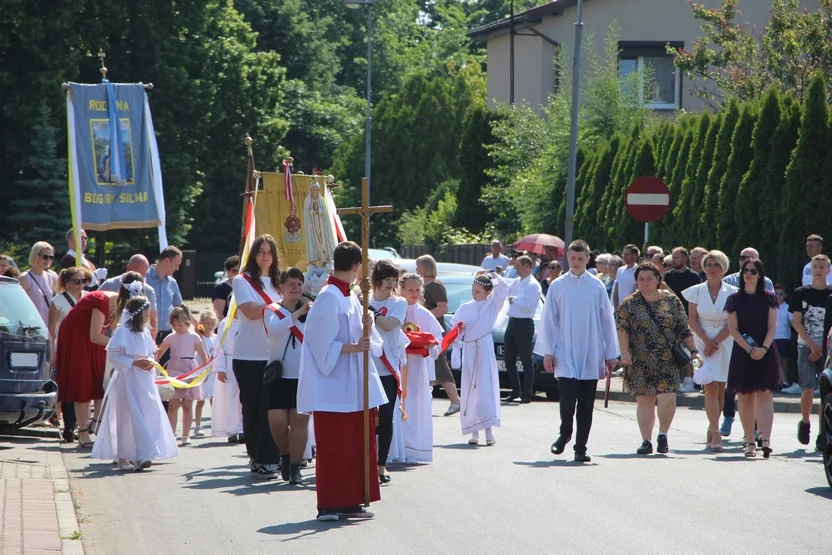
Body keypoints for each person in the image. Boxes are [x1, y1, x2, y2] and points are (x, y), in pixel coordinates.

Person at [297, 241, 387, 521]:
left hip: (354, 384)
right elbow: (319, 344)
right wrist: (352, 346)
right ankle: (328, 503)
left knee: (355, 444)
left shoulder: (349, 296)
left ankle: (350, 500)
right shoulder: (329, 296)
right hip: (333, 385)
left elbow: (363, 337)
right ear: (357, 267)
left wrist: (367, 328)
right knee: (335, 445)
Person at [536, 240, 619, 463]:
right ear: (567, 258)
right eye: (572, 258)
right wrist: (548, 351)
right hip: (564, 350)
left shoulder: (596, 286)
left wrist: (611, 353)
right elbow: (549, 320)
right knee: (567, 398)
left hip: (591, 351)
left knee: (586, 402)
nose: (575, 262)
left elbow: (606, 321)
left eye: (580, 259)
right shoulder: (558, 285)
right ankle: (564, 433)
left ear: (588, 259)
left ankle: (580, 447)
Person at [617, 263, 701, 455]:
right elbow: (622, 329)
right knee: (644, 401)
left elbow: (683, 328)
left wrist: (694, 351)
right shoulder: (629, 303)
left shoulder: (672, 301)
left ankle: (663, 434)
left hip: (667, 358)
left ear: (658, 280)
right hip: (639, 359)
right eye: (640, 279)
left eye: (649, 278)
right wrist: (624, 352)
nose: (645, 282)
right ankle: (646, 440)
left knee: (668, 398)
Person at [92, 296, 179, 470]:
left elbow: (149, 352)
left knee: (148, 412)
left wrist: (150, 364)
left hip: (144, 380)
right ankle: (126, 456)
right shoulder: (123, 331)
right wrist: (134, 363)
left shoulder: (144, 332)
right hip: (128, 379)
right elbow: (113, 355)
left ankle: (144, 452)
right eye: (147, 311)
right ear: (140, 312)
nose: (149, 315)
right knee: (129, 415)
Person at [232, 234, 283, 478]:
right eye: (261, 251)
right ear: (253, 254)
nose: (265, 256)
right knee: (252, 409)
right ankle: (257, 456)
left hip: (275, 354)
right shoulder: (243, 281)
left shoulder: (280, 282)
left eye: (269, 252)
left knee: (272, 409)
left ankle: (271, 457)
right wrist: (280, 306)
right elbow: (251, 312)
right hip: (248, 356)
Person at [681, 251, 737, 451]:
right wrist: (707, 341)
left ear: (723, 268)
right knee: (709, 386)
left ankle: (712, 424)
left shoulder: (733, 292)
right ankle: (716, 432)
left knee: (721, 387)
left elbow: (733, 322)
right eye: (709, 264)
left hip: (726, 339)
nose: (712, 268)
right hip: (701, 341)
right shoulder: (695, 291)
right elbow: (692, 320)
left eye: (716, 265)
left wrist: (717, 340)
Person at [725, 257, 779, 458]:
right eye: (745, 271)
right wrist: (749, 349)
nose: (748, 274)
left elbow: (772, 326)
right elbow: (733, 329)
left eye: (753, 271)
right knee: (745, 396)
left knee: (765, 393)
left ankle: (765, 438)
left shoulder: (769, 297)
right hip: (742, 351)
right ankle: (749, 441)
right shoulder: (734, 299)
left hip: (765, 350)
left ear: (760, 275)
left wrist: (763, 348)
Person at [264, 268, 312, 485]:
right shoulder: (272, 310)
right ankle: (285, 455)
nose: (296, 288)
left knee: (299, 421)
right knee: (278, 422)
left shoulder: (311, 310)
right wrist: (297, 314)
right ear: (281, 287)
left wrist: (304, 312)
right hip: (279, 375)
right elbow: (275, 330)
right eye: (291, 284)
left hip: (303, 375)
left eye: (299, 284)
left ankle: (294, 468)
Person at [450, 271, 508, 446]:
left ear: (487, 293)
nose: (474, 294)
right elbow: (455, 330)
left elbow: (504, 288)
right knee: (470, 388)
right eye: (473, 290)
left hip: (484, 347)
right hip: (470, 349)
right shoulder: (465, 307)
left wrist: (492, 275)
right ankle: (473, 431)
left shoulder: (492, 305)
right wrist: (461, 330)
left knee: (485, 388)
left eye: (478, 292)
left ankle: (489, 431)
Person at [55, 289, 119, 448]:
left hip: (93, 341)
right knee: (82, 386)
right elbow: (95, 335)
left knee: (98, 384)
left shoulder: (114, 303)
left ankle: (96, 424)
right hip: (78, 339)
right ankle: (83, 433)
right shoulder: (101, 301)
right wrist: (121, 346)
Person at [369, 261, 408, 480]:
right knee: (365, 419)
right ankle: (364, 462)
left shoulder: (399, 302)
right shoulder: (361, 298)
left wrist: (369, 310)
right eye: (386, 279)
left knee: (385, 418)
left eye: (393, 279)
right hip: (367, 366)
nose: (391, 283)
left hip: (388, 367)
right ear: (377, 279)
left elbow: (388, 325)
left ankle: (381, 466)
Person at [399, 273, 443, 462]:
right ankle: (397, 448)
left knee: (415, 404)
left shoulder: (425, 314)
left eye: (417, 290)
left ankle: (415, 449)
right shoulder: (395, 309)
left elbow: (437, 339)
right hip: (399, 363)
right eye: (410, 290)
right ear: (401, 290)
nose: (414, 293)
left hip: (417, 366)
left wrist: (430, 344)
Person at [790, 254, 832, 449]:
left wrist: (822, 347)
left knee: (825, 392)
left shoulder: (830, 295)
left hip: (827, 349)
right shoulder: (800, 293)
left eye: (822, 267)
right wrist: (812, 345)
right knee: (807, 388)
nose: (818, 269)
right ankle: (805, 422)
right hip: (805, 346)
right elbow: (796, 322)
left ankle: (823, 433)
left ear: (828, 270)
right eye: (815, 266)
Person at [156, 306, 208, 446]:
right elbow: (159, 353)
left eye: (180, 325)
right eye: (174, 325)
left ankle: (185, 435)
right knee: (173, 405)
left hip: (190, 370)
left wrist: (205, 373)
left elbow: (203, 356)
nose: (177, 328)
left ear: (187, 322)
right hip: (174, 371)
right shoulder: (171, 337)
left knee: (187, 405)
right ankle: (171, 434)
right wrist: (156, 366)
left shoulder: (194, 336)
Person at [416, 255, 462, 416]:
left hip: (434, 329)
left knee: (439, 365)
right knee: (433, 365)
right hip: (425, 330)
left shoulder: (435, 285)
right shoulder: (425, 284)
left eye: (419, 265)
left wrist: (423, 315)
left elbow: (442, 308)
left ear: (426, 266)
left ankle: (455, 400)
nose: (416, 268)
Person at [502, 255, 542, 404]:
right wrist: (511, 299)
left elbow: (529, 306)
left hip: (524, 324)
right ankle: (515, 390)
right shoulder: (516, 282)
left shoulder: (533, 285)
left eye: (518, 265)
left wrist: (514, 299)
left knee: (526, 359)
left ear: (526, 266)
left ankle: (526, 393)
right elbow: (507, 297)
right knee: (509, 359)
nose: (515, 268)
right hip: (512, 322)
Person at [664, 247, 704, 393]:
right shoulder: (668, 275)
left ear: (684, 259)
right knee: (672, 349)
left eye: (676, 257)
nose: (673, 260)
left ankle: (690, 380)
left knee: (689, 349)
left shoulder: (693, 276)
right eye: (672, 257)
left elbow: (693, 298)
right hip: (670, 317)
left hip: (688, 317)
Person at [98, 254, 159, 339]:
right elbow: (95, 307)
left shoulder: (148, 291)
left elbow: (152, 320)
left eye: (144, 275)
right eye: (137, 273)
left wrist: (152, 343)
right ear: (128, 268)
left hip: (138, 340)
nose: (139, 278)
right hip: (108, 338)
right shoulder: (110, 285)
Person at [211, 307, 244, 443]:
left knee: (242, 397)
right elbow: (219, 346)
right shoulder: (225, 323)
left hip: (244, 360)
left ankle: (242, 429)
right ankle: (231, 430)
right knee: (230, 397)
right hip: (229, 362)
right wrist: (220, 368)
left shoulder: (248, 321)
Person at [145, 246, 185, 349]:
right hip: (146, 334)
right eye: (176, 264)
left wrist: (195, 324)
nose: (177, 268)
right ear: (167, 260)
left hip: (167, 335)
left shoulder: (172, 282)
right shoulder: (144, 278)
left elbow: (179, 307)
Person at [19, 241, 59, 326]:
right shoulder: (25, 277)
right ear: (35, 255)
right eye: (45, 257)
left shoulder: (53, 276)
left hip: (50, 324)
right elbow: (20, 306)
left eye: (51, 257)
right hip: (33, 325)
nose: (48, 260)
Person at [193, 309, 219, 438]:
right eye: (207, 323)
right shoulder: (199, 338)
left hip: (213, 373)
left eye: (212, 323)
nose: (209, 326)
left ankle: (216, 424)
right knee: (200, 400)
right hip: (202, 372)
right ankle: (198, 425)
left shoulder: (216, 338)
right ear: (202, 323)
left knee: (214, 400)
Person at [774, 284, 799, 394]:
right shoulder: (771, 307)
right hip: (773, 338)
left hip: (784, 337)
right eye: (776, 293)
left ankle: (785, 382)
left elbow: (794, 323)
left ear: (785, 295)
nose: (778, 296)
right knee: (777, 360)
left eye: (781, 294)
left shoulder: (788, 308)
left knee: (784, 361)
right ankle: (782, 381)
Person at [612, 244, 639, 309]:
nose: (624, 257)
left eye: (627, 255)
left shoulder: (638, 271)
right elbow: (616, 288)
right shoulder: (620, 270)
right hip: (619, 308)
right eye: (623, 254)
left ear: (634, 256)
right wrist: (615, 305)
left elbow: (636, 290)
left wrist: (628, 305)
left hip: (631, 308)